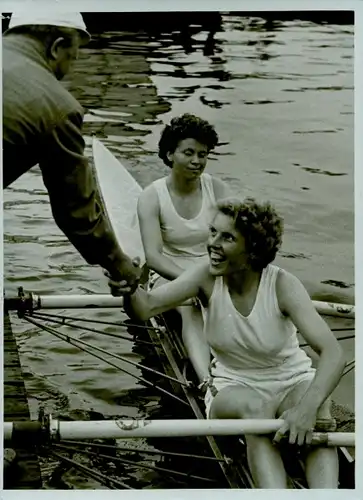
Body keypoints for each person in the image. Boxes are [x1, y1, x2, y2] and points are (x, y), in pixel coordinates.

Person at [108, 197, 346, 489]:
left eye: (227, 238)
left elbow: (333, 352)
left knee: (319, 405)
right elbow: (146, 308)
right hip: (234, 387)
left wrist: (308, 407)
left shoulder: (283, 285)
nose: (212, 244)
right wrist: (130, 288)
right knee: (257, 410)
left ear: (252, 251)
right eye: (212, 232)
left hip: (291, 380)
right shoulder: (205, 277)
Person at [3, 13, 140, 289]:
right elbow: (76, 212)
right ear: (56, 47)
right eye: (72, 58)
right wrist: (120, 264)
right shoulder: (56, 105)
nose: (68, 71)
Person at [137, 113, 229, 382]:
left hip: (212, 269)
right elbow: (153, 257)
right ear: (169, 154)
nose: (197, 161)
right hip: (170, 274)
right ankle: (206, 383)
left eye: (203, 154)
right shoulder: (151, 197)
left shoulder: (218, 189)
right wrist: (195, 284)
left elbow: (237, 238)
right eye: (188, 153)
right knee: (190, 308)